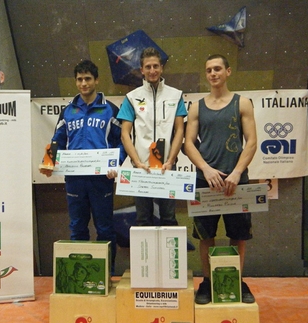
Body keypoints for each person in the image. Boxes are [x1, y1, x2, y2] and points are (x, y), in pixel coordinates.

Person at [40, 60, 126, 275]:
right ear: (76, 82)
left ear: (96, 80)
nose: (84, 83)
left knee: (105, 228)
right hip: (75, 180)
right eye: (80, 79)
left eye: (88, 78)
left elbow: (123, 142)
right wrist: (49, 162)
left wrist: (115, 164)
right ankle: (81, 275)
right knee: (77, 227)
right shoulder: (68, 111)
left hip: (101, 179)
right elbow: (57, 140)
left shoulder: (110, 110)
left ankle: (107, 274)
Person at [184, 54, 257, 304]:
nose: (213, 73)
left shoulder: (243, 103)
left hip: (236, 181)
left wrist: (237, 172)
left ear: (228, 72)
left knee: (239, 235)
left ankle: (235, 280)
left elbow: (252, 141)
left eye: (217, 69)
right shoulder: (196, 107)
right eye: (208, 70)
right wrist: (205, 168)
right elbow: (188, 143)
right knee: (206, 236)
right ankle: (207, 282)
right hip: (206, 181)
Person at [117, 47, 187, 226]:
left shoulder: (175, 95)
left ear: (162, 67)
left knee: (169, 218)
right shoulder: (132, 97)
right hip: (141, 168)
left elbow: (180, 130)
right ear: (142, 70)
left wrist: (171, 160)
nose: (152, 70)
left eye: (156, 66)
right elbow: (125, 133)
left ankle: (168, 254)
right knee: (142, 219)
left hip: (167, 166)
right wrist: (136, 161)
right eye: (148, 67)